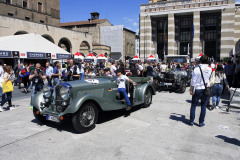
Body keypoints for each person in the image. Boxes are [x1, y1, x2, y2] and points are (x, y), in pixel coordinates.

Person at [189, 55, 212, 127]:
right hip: (206, 88)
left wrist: (191, 89)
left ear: (200, 60)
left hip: (198, 88)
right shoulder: (210, 69)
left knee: (193, 105)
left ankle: (191, 121)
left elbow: (193, 81)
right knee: (203, 106)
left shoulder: (196, 69)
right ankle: (201, 122)